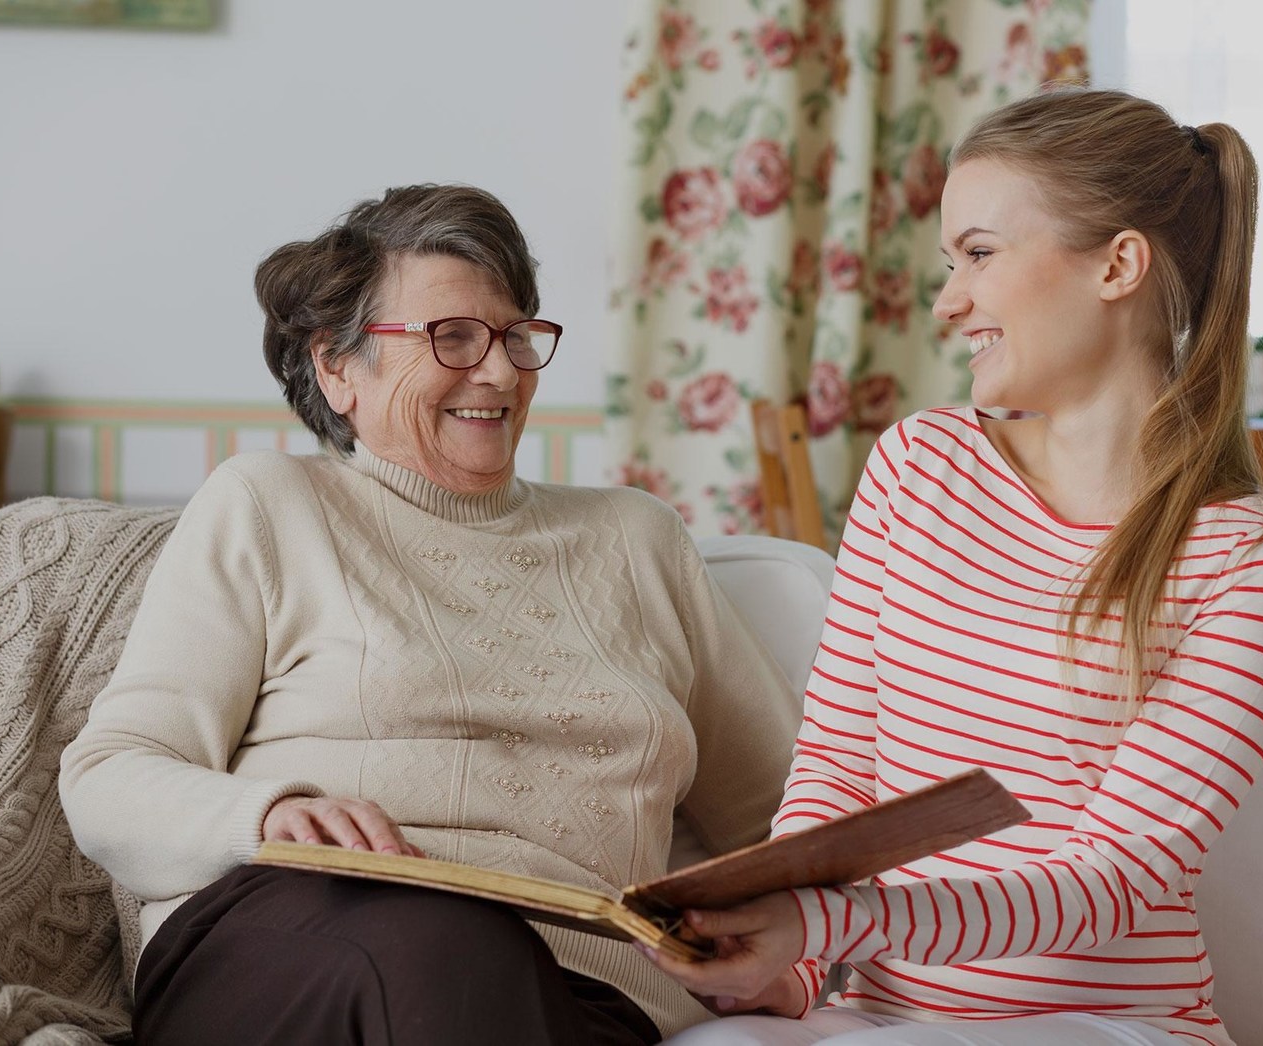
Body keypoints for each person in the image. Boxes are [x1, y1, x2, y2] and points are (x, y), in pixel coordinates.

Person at [644, 86, 1263, 1046]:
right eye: (949, 261)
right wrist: (785, 962)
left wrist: (837, 920)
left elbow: (1110, 880)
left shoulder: (1245, 566)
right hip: (870, 1014)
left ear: (1119, 264)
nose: (948, 300)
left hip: (1108, 1025)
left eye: (980, 255)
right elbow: (838, 763)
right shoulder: (920, 466)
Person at [58, 183, 801, 1046]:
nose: (497, 371)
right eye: (452, 338)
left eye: (516, 337)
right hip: (296, 933)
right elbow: (111, 775)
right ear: (336, 366)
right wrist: (267, 816)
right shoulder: (267, 505)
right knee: (448, 944)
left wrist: (804, 951)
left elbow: (793, 809)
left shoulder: (639, 540)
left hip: (588, 986)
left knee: (484, 973)